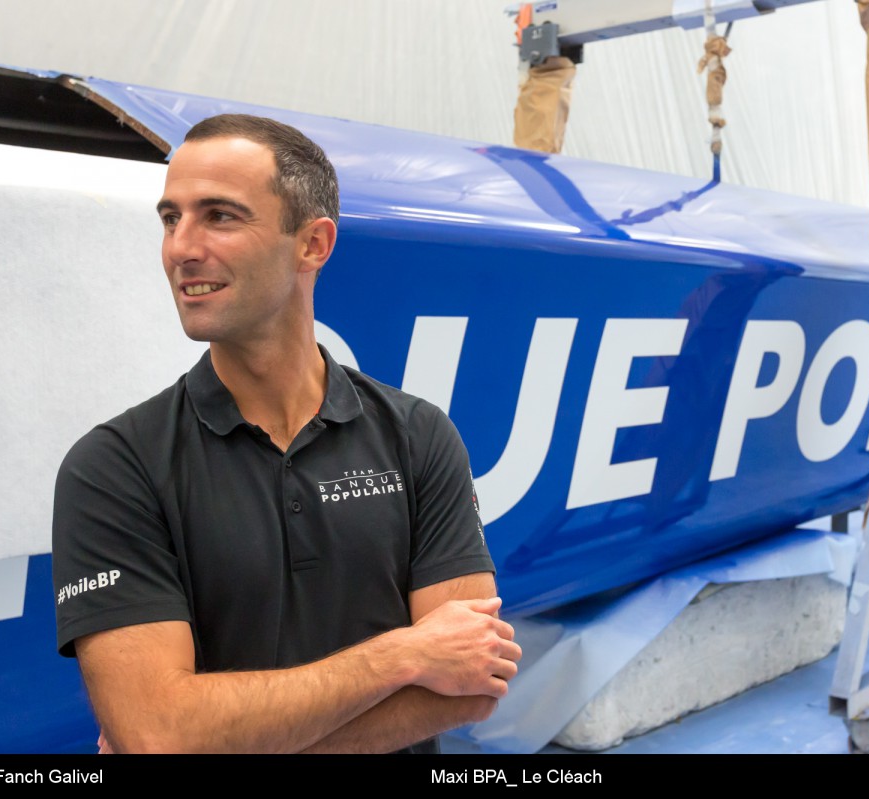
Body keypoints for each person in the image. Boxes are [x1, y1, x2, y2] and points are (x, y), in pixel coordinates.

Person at [52, 113, 520, 754]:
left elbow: (470, 687)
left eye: (219, 216)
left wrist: (217, 736)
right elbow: (159, 735)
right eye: (170, 217)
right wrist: (400, 657)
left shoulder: (416, 436)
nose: (181, 247)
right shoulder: (115, 467)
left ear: (313, 245)